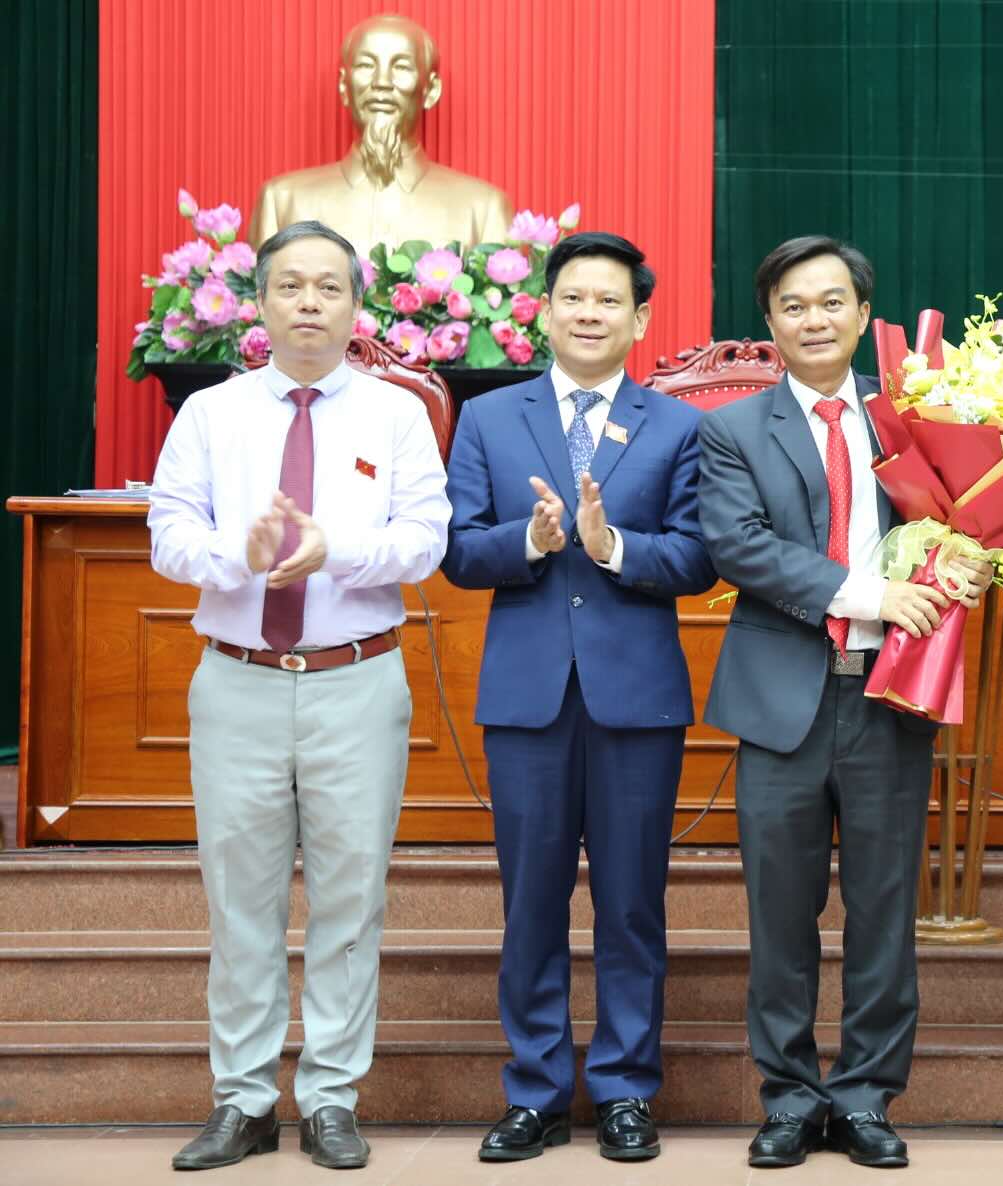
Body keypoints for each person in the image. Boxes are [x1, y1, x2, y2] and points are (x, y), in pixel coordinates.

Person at [148, 220, 451, 1171]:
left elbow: (428, 537)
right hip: (235, 683)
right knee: (240, 902)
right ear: (263, 304)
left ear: (358, 306)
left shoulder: (396, 414)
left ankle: (329, 1097)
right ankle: (242, 1101)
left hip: (355, 681)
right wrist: (235, 558)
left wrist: (343, 552)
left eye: (329, 287)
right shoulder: (212, 413)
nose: (310, 303)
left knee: (350, 898)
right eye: (291, 286)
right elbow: (166, 535)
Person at [696, 236, 988, 1170]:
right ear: (770, 321)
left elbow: (964, 517)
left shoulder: (918, 420)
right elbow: (738, 546)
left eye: (832, 303)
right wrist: (867, 594)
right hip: (783, 699)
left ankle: (865, 1096)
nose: (813, 320)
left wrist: (970, 559)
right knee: (779, 916)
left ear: (865, 316)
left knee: (882, 909)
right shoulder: (734, 429)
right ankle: (786, 1097)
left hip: (888, 697)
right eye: (793, 305)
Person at [442, 231, 716, 1163]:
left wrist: (610, 548)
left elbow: (697, 558)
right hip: (526, 699)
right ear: (544, 312)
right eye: (573, 298)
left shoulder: (677, 425)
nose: (589, 314)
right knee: (533, 902)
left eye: (609, 301)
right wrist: (531, 537)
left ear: (639, 318)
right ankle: (535, 1092)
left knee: (634, 903)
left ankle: (627, 1088)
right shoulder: (489, 418)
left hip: (636, 700)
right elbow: (457, 551)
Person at [249, 13, 512, 255]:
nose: (381, 82)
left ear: (431, 90)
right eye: (366, 65)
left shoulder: (483, 209)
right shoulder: (282, 201)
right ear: (344, 86)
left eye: (401, 67)